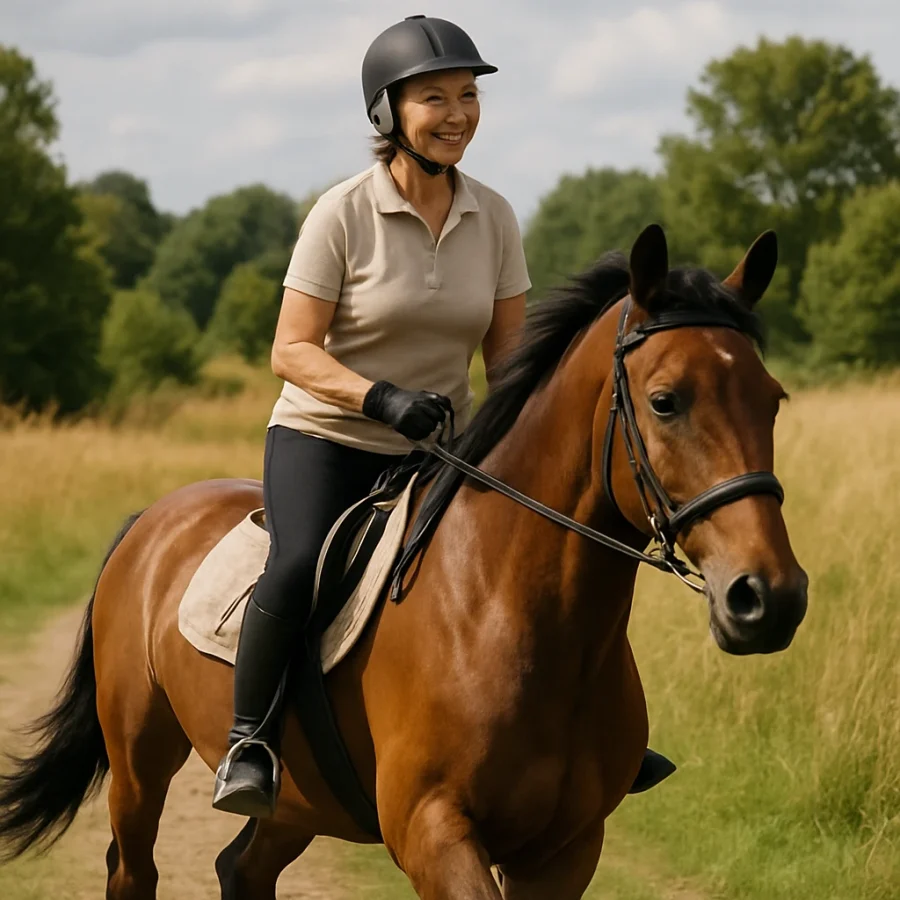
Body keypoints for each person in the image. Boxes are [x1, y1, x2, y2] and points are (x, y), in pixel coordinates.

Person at [212, 14, 674, 819]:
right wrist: (381, 397)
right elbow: (291, 350)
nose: (459, 112)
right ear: (389, 113)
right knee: (294, 569)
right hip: (328, 438)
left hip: (441, 447)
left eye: (469, 95)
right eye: (436, 98)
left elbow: (508, 362)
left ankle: (595, 731)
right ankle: (250, 741)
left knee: (545, 559)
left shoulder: (492, 216)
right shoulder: (342, 215)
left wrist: (530, 435)